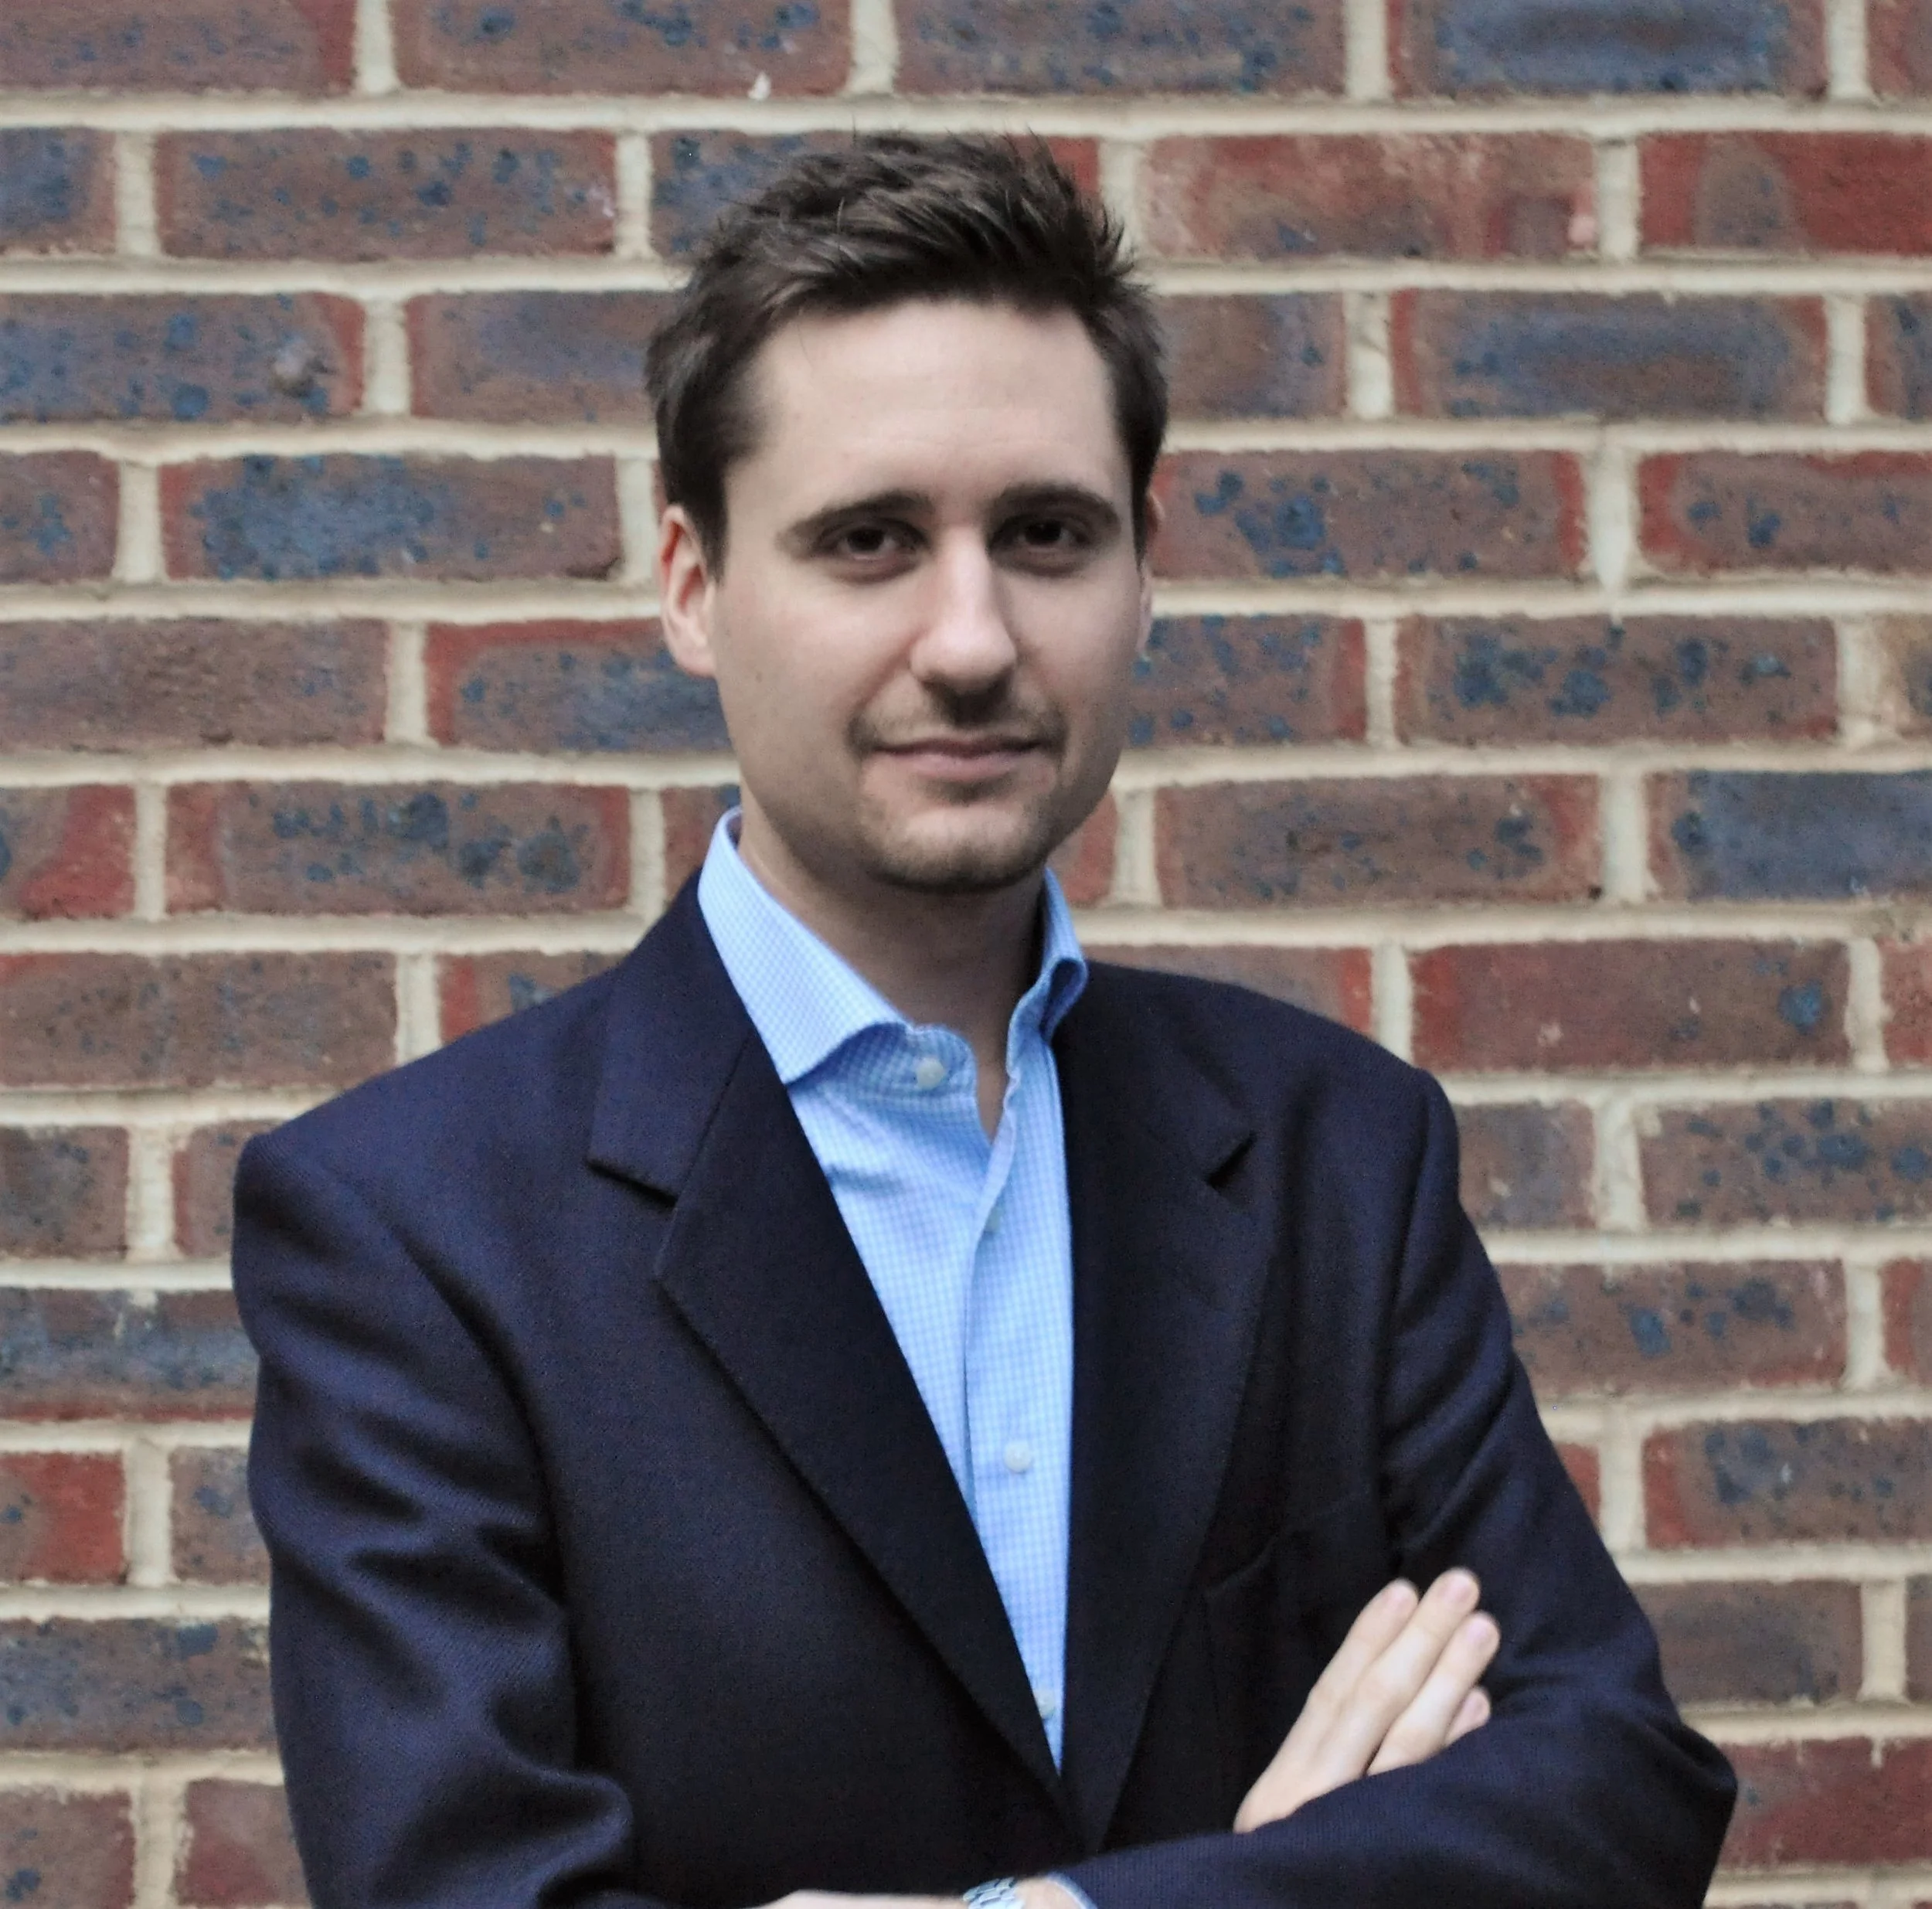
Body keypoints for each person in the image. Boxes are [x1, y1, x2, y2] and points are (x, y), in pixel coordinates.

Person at [233, 134, 1736, 1909]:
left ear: (1142, 569)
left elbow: (1615, 1786)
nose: (969, 637)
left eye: (1042, 535)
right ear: (691, 584)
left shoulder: (1338, 1147)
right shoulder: (414, 1224)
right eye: (867, 540)